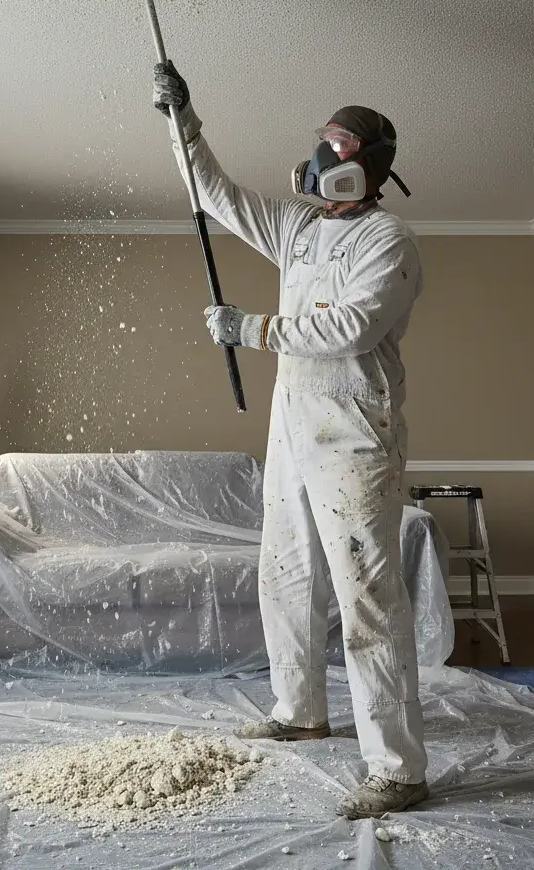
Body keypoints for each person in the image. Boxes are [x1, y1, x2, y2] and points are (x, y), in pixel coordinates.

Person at [152, 62, 428, 819]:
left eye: (333, 146)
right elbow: (215, 195)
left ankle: (398, 768)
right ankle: (300, 710)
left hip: (355, 431)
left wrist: (253, 328)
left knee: (367, 594)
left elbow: (352, 329)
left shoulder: (389, 240)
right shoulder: (299, 229)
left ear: (362, 166)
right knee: (286, 572)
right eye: (320, 143)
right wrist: (184, 120)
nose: (316, 157)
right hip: (293, 423)